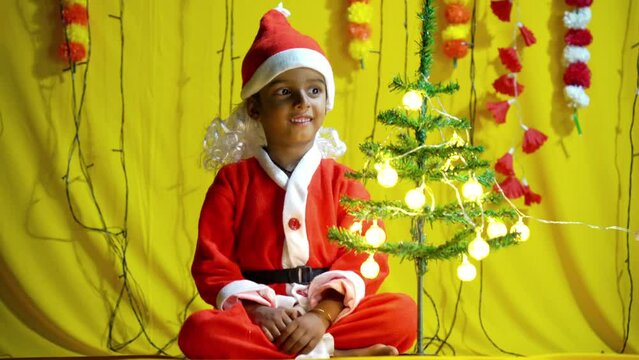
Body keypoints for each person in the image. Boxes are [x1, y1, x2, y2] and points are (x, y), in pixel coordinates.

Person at [178, 4, 417, 359]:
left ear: (326, 100)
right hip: (263, 318)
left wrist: (321, 315)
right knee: (199, 332)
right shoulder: (233, 181)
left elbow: (363, 256)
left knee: (404, 313)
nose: (302, 103)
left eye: (314, 91)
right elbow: (213, 265)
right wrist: (261, 312)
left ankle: (301, 349)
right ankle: (335, 355)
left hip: (330, 313)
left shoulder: (344, 181)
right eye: (285, 93)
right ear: (255, 108)